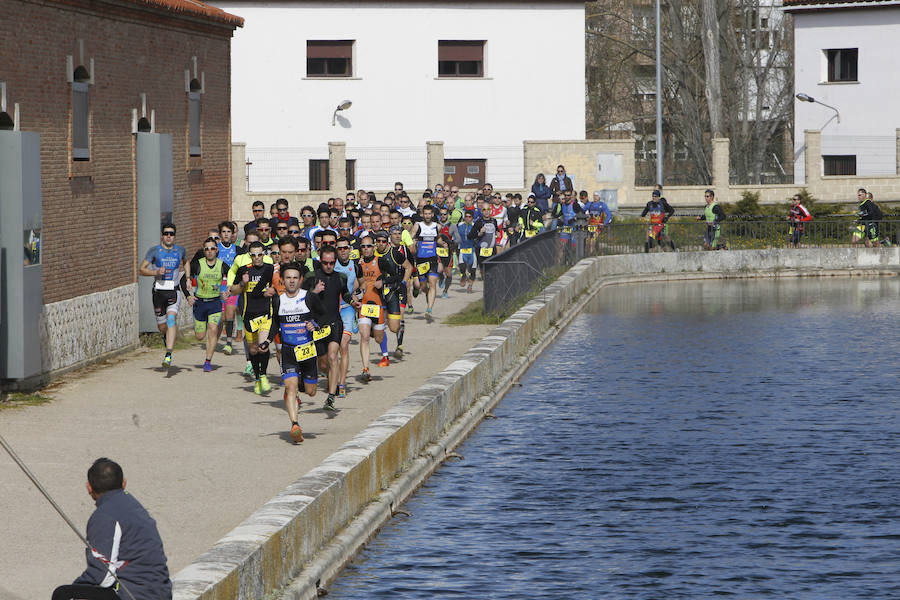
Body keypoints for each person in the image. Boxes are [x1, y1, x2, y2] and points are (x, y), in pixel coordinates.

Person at [55, 458, 171, 600]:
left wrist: (76, 588)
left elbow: (103, 576)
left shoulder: (104, 516)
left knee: (63, 594)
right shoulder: (133, 504)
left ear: (89, 487)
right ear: (124, 483)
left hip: (133, 595)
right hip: (161, 592)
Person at [262, 265, 325, 443]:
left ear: (300, 280)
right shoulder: (279, 300)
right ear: (282, 280)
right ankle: (295, 425)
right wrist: (267, 341)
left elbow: (323, 315)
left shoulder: (309, 297)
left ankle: (301, 387)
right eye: (288, 278)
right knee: (290, 388)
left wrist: (315, 324)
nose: (291, 281)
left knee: (311, 392)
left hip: (307, 351)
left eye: (295, 278)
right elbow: (275, 323)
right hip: (288, 350)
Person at [303, 246, 357, 411]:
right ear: (320, 260)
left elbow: (345, 293)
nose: (329, 266)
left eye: (332, 263)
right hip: (317, 325)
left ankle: (331, 397)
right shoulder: (312, 276)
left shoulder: (340, 277)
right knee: (323, 363)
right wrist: (315, 291)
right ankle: (329, 377)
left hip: (335, 323)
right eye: (325, 263)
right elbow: (302, 298)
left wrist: (353, 302)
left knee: (333, 357)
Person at [230, 241, 275, 395]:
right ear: (249, 255)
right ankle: (257, 377)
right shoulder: (244, 270)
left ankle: (263, 375)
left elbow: (277, 286)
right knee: (254, 350)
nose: (257, 258)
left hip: (265, 313)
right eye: (253, 255)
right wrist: (243, 283)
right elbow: (234, 290)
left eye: (260, 254)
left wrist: (273, 291)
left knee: (264, 346)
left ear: (264, 254)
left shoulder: (269, 269)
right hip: (248, 315)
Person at [139, 223, 186, 369]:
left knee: (171, 319)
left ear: (175, 235)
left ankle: (168, 354)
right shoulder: (154, 251)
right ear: (162, 235)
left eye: (171, 233)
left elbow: (187, 262)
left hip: (174, 291)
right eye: (166, 233)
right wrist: (156, 272)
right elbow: (141, 269)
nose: (169, 236)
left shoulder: (180, 250)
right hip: (158, 293)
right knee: (162, 326)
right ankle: (167, 336)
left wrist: (188, 277)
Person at [182, 238, 229, 372]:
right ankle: (210, 330)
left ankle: (208, 361)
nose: (210, 251)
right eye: (207, 249)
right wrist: (189, 296)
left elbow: (234, 277)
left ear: (217, 250)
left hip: (215, 302)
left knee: (213, 329)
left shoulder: (222, 265)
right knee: (200, 336)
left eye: (212, 248)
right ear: (204, 251)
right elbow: (182, 281)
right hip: (200, 303)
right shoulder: (197, 264)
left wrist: (228, 291)